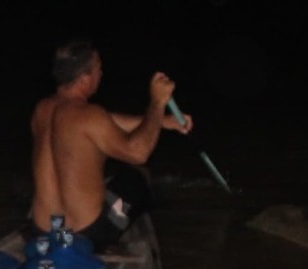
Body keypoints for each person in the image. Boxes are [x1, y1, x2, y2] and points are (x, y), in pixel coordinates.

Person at [30, 38, 194, 248]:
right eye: (99, 68)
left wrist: (163, 122)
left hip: (42, 230)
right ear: (85, 77)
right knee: (138, 175)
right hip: (87, 234)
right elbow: (139, 152)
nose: (102, 74)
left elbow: (103, 121)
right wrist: (157, 103)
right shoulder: (90, 116)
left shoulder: (42, 110)